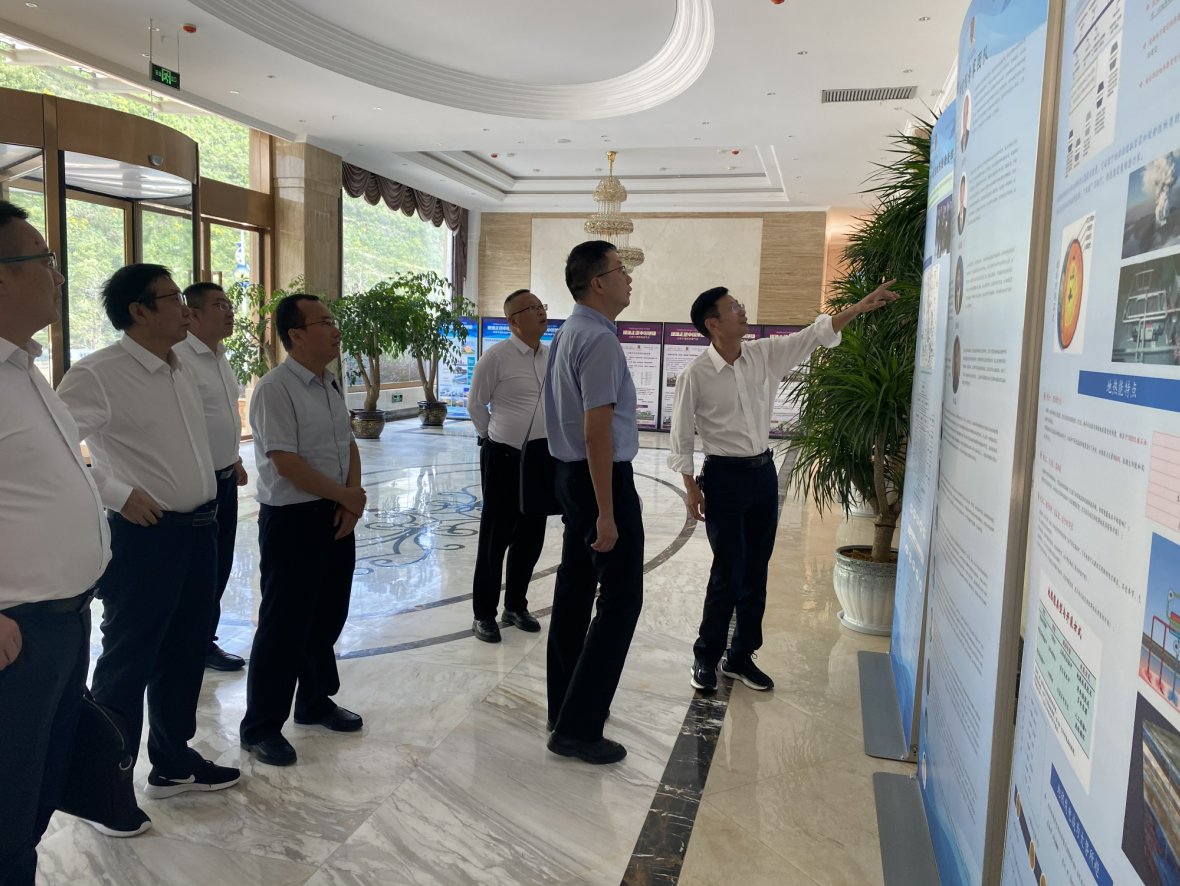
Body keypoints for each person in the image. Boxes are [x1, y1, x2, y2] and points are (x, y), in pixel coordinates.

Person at [56, 264, 240, 801]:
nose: (186, 309)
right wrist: (116, 492)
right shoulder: (99, 374)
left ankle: (172, 762)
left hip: (199, 531)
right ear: (138, 311)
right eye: (173, 298)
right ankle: (105, 786)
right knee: (128, 659)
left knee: (185, 651)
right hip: (147, 537)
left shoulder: (179, 365)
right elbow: (55, 450)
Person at [670, 283, 898, 694]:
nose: (742, 311)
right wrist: (691, 488)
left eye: (740, 304)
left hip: (762, 475)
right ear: (712, 324)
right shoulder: (695, 375)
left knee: (756, 571)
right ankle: (705, 656)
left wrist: (858, 308)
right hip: (723, 479)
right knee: (728, 572)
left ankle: (740, 657)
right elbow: (681, 436)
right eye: (733, 307)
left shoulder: (764, 353)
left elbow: (814, 334)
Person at [0, 202, 131, 884]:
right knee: (7, 805)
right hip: (15, 634)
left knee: (39, 791)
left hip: (63, 622)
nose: (58, 275)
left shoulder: (24, 369)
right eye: (44, 261)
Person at [239, 294, 366, 767]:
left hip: (334, 511)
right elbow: (285, 462)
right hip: (293, 519)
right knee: (284, 625)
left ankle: (314, 702)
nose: (335, 329)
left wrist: (350, 498)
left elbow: (347, 443)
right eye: (324, 322)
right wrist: (343, 495)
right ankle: (260, 727)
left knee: (328, 614)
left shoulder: (330, 382)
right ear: (296, 334)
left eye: (333, 320)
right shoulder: (276, 388)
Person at [543, 240, 643, 765]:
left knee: (576, 589)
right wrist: (607, 511)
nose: (629, 277)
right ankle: (578, 729)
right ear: (598, 283)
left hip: (571, 476)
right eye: (621, 270)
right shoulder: (599, 340)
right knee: (621, 598)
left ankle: (565, 708)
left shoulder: (568, 332)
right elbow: (597, 432)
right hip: (599, 479)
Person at [466, 289, 549, 643]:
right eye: (532, 308)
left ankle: (515, 606)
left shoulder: (551, 355)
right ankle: (483, 614)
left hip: (541, 459)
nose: (541, 311)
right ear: (513, 321)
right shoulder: (496, 358)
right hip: (503, 457)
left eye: (541, 306)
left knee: (531, 536)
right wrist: (492, 437)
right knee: (495, 538)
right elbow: (475, 405)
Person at [176, 282, 247, 672]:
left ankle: (205, 639)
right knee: (199, 570)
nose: (230, 311)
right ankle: (192, 644)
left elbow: (221, 416)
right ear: (194, 313)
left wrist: (233, 458)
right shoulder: (180, 359)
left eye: (230, 304)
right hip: (196, 483)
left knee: (221, 562)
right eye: (220, 305)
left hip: (224, 477)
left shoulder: (219, 355)